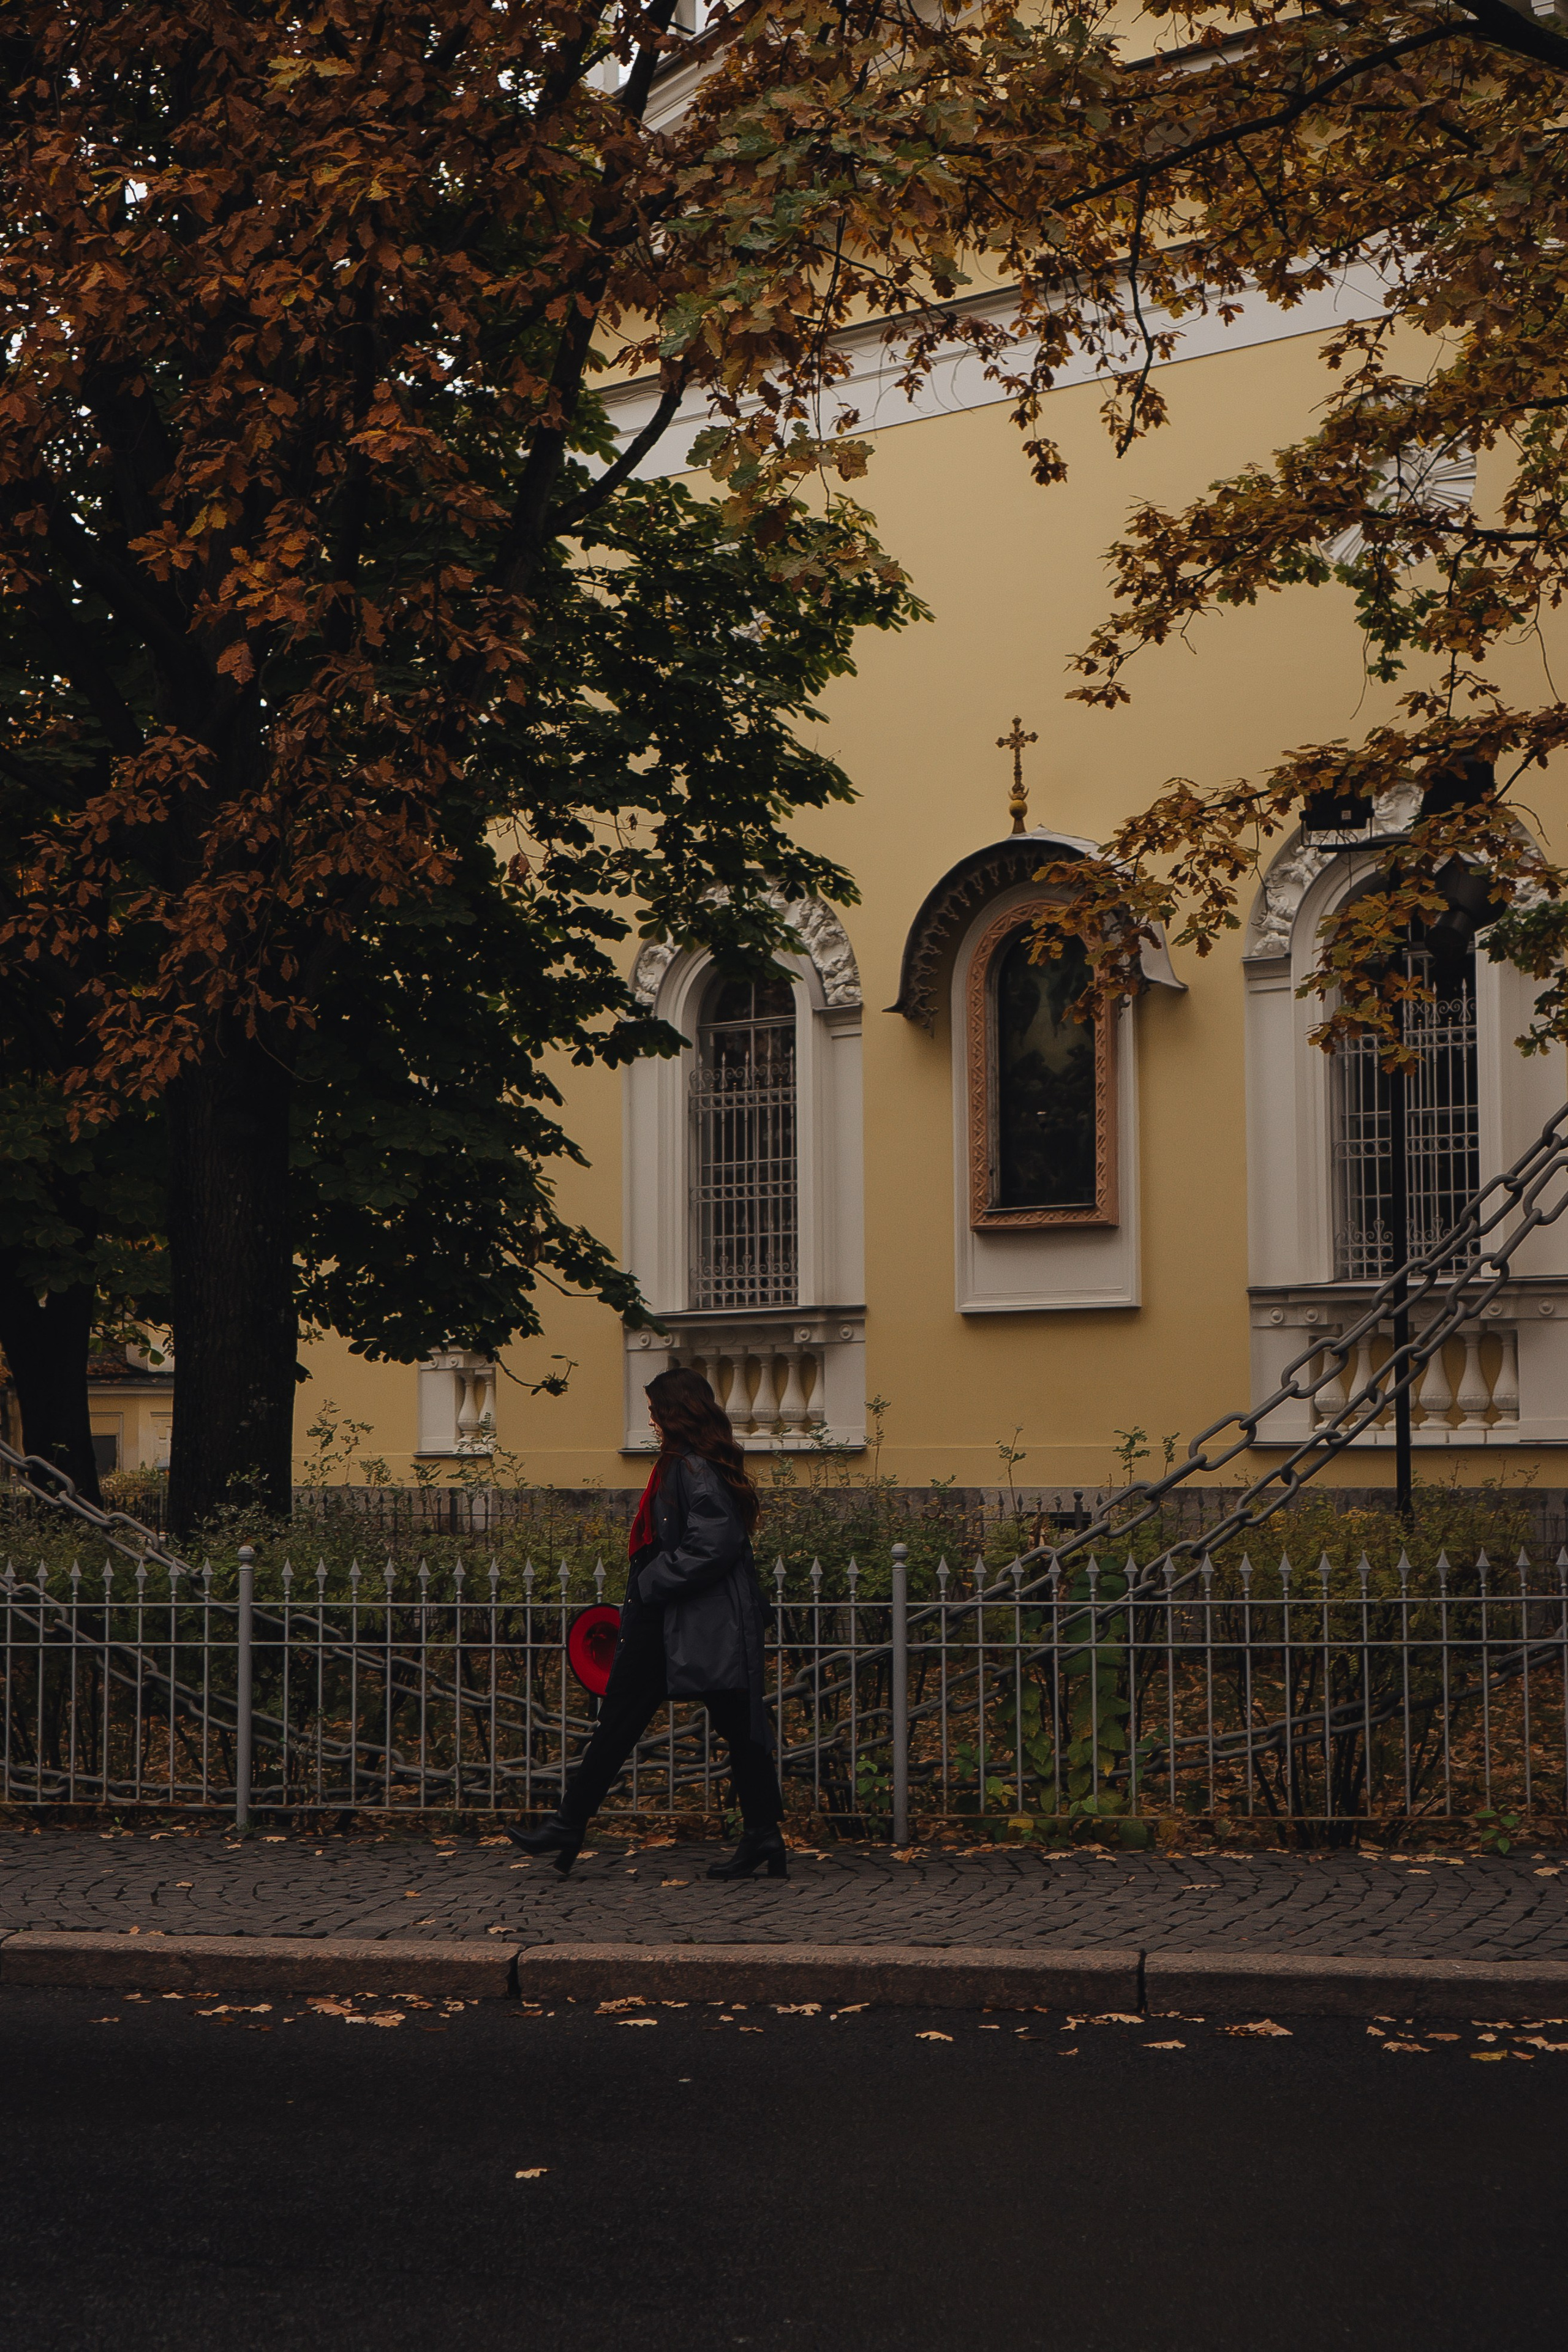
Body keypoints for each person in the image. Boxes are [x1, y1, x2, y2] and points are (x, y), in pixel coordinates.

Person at [507, 1365, 787, 1880]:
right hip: (690, 1620)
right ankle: (762, 1834)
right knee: (694, 1725)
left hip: (684, 1619)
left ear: (677, 1413)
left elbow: (715, 1541)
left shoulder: (693, 1467)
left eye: (656, 1411)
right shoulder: (687, 1464)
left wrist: (653, 1581)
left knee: (650, 1722)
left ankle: (570, 1826)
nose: (652, 1421)